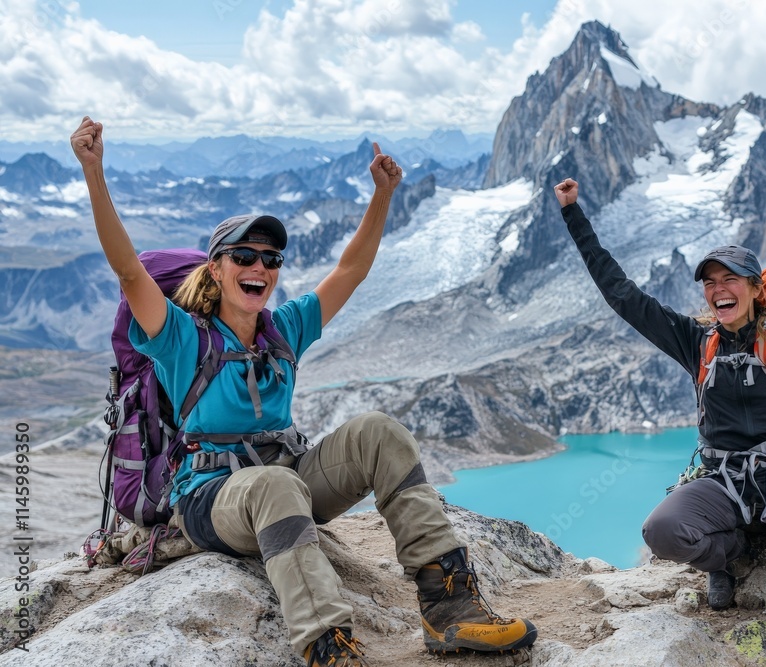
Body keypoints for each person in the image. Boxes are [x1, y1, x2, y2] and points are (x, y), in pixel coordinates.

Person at [71, 116, 537, 666]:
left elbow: (351, 270)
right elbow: (129, 272)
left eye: (271, 260)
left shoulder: (284, 330)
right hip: (208, 499)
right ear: (216, 271)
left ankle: (453, 611)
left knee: (379, 435)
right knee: (273, 486)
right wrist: (94, 172)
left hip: (284, 486)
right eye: (244, 257)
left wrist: (382, 196)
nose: (260, 267)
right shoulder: (181, 339)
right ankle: (327, 648)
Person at [554, 176, 766, 667]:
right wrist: (573, 214)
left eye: (729, 279)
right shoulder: (696, 342)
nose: (717, 290)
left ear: (753, 288)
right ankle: (731, 557)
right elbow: (621, 294)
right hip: (725, 484)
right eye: (709, 282)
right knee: (662, 531)